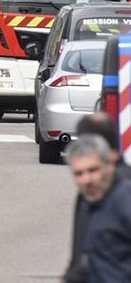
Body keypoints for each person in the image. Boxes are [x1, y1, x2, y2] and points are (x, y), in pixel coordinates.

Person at [63, 113, 131, 283]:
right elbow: (84, 258)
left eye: (93, 170)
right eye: (79, 174)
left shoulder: (124, 198)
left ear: (109, 163)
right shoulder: (92, 198)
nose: (87, 180)